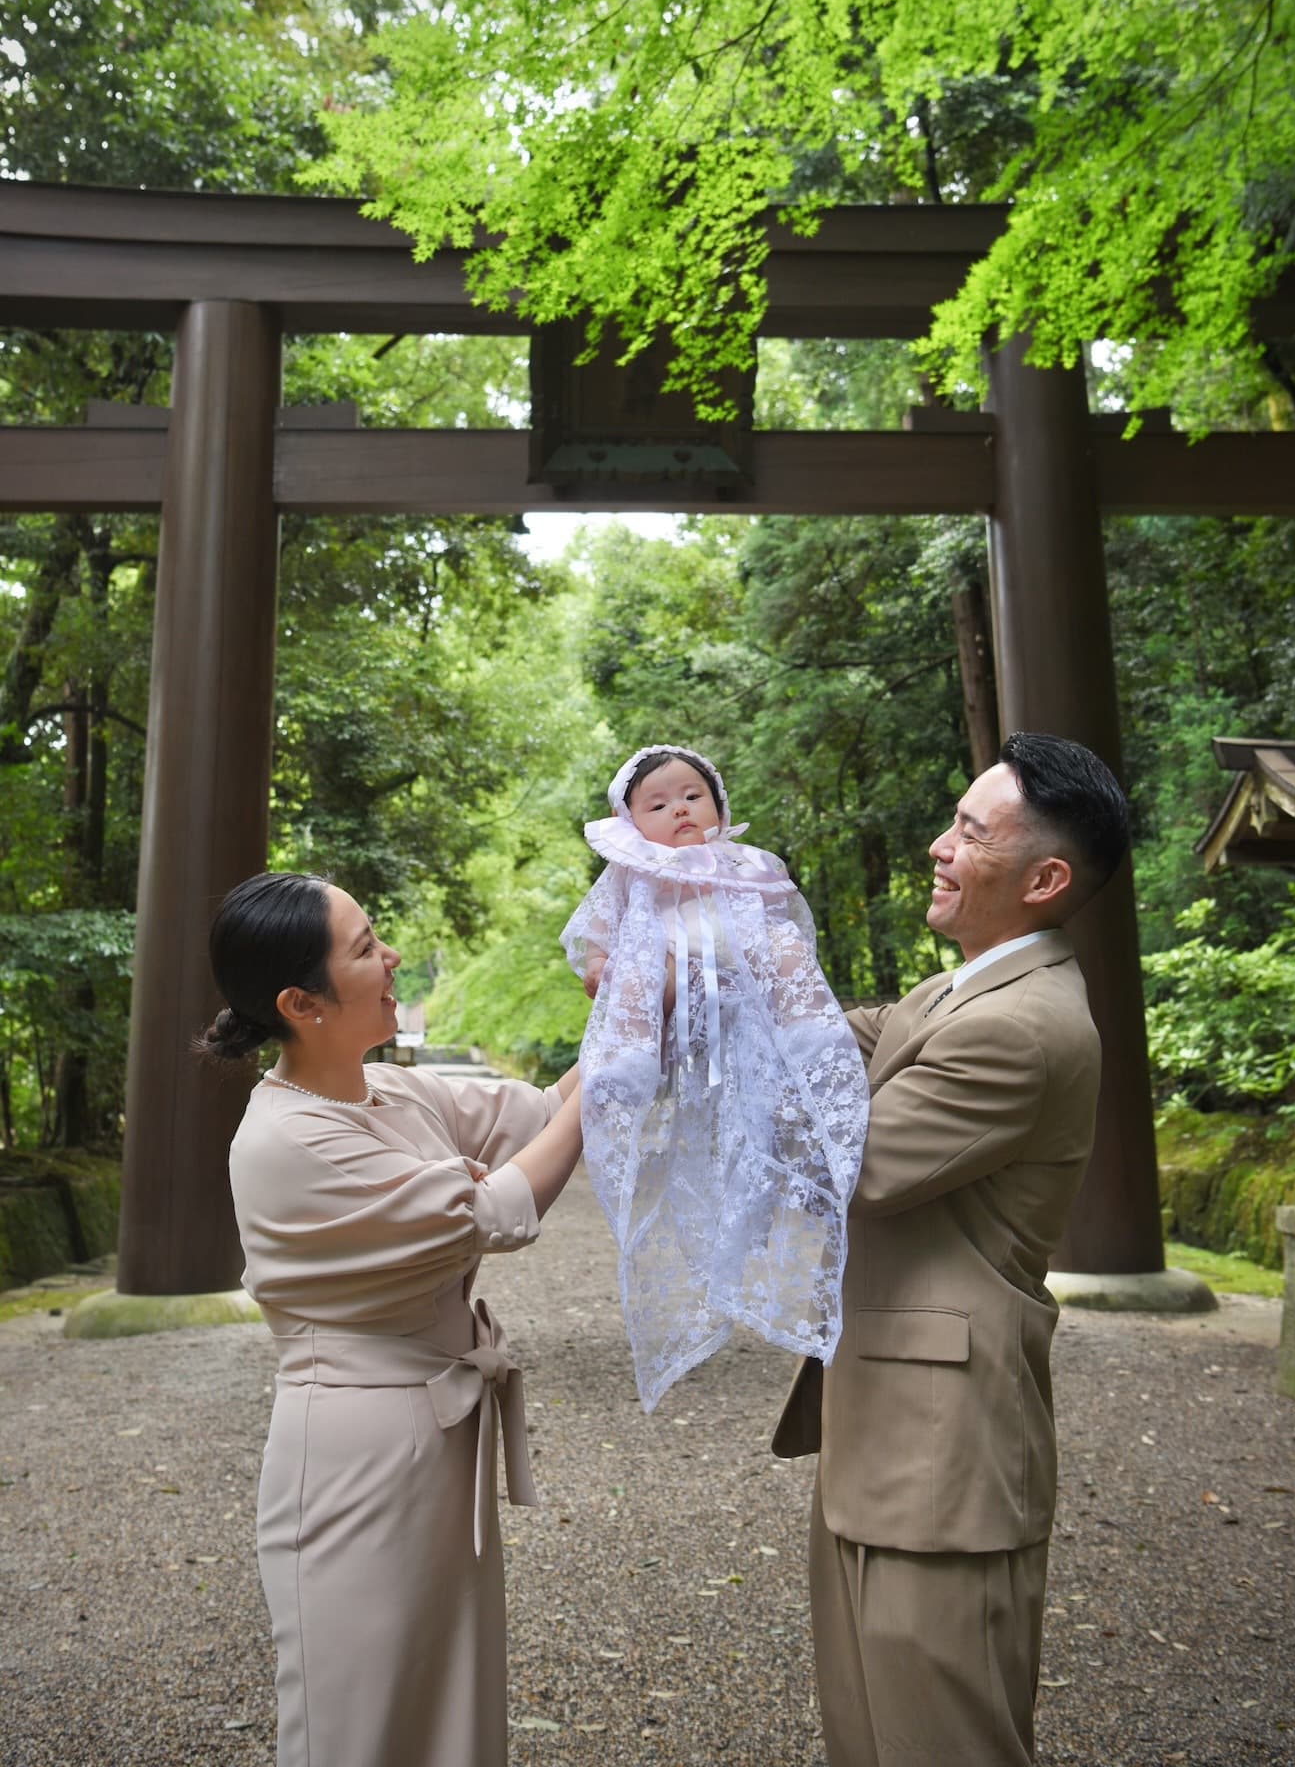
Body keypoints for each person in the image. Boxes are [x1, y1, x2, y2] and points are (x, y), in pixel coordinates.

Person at [773, 731, 1131, 1767]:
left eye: (970, 830)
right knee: (865, 1736)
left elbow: (855, 1165)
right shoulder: (963, 987)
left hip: (943, 1456)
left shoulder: (1020, 1023)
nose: (938, 843)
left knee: (941, 1742)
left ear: (1045, 877)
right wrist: (712, 966)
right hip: (885, 1436)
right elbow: (847, 1033)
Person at [204, 871, 584, 1767]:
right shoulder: (287, 1141)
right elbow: (493, 1211)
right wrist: (615, 1079)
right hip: (357, 1450)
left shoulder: (393, 1094)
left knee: (448, 1701)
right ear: (302, 1002)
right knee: (361, 1715)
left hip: (439, 1432)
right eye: (367, 947)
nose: (393, 956)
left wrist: (644, 993)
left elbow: (546, 1112)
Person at [561, 745, 868, 1411]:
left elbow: (787, 927)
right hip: (667, 957)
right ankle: (630, 1057)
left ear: (719, 807)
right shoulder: (629, 875)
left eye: (693, 795)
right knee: (638, 973)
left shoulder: (747, 866)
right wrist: (603, 972)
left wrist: (767, 972)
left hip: (735, 975)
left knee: (781, 952)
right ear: (629, 821)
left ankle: (808, 1030)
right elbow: (600, 938)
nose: (679, 809)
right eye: (659, 803)